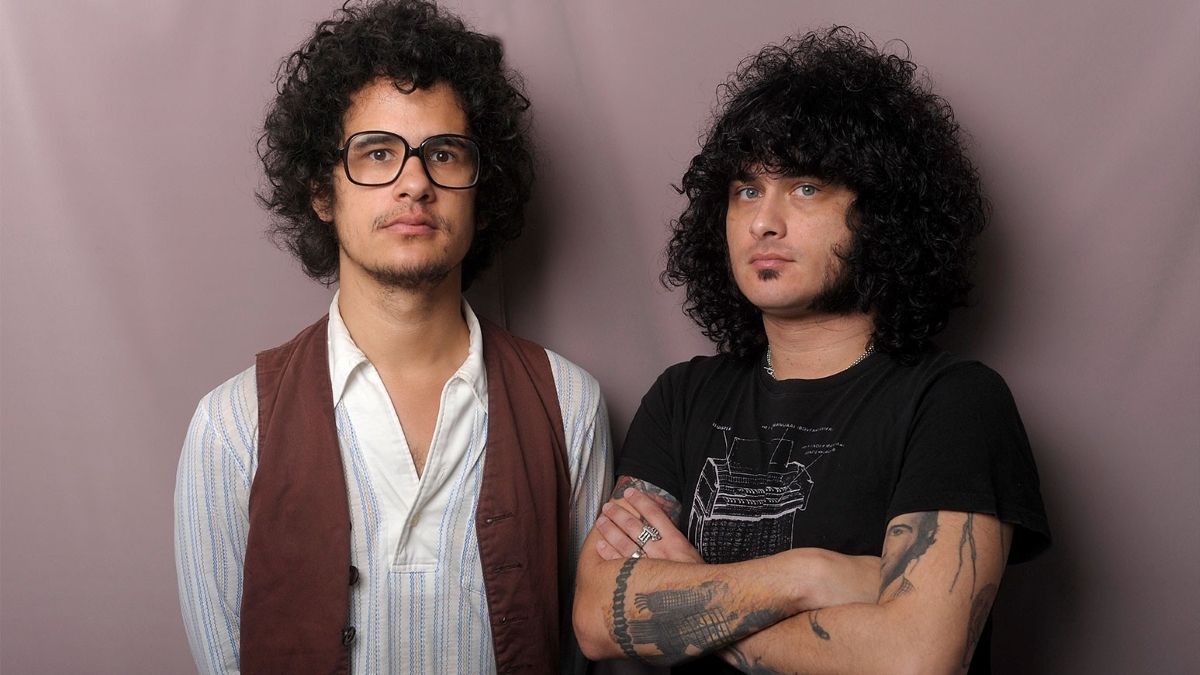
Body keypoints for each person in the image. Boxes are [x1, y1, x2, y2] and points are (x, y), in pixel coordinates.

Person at [573, 27, 1049, 674]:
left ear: (880, 213)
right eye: (746, 190)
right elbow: (597, 616)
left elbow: (914, 658)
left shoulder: (954, 403)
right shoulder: (682, 396)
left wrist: (687, 595)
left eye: (805, 188)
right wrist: (808, 575)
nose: (763, 222)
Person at [174, 2, 612, 673]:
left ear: (480, 190)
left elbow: (585, 650)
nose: (415, 183)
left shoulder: (570, 407)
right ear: (322, 191)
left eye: (444, 153)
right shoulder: (231, 429)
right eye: (377, 153)